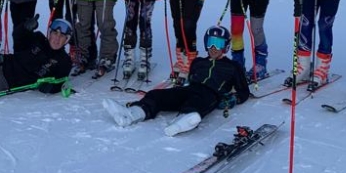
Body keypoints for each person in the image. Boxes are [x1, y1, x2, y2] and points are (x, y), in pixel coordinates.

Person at [102, 26, 251, 136]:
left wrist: (233, 99)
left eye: (218, 43)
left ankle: (182, 122)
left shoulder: (232, 67)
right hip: (190, 89)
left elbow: (244, 91)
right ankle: (132, 114)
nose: (213, 48)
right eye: (211, 42)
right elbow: (190, 79)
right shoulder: (198, 62)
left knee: (197, 103)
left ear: (225, 46)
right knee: (156, 95)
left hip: (211, 93)